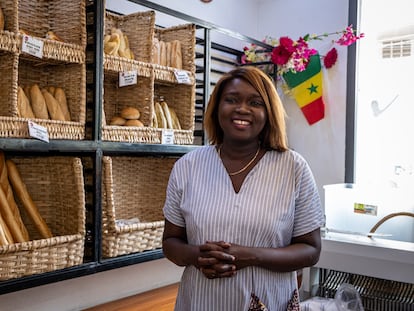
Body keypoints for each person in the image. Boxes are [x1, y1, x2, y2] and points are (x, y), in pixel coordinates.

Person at [162, 66, 324, 311]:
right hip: (201, 301)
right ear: (217, 108)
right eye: (232, 100)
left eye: (255, 102)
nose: (242, 109)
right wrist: (198, 256)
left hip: (270, 301)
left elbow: (311, 250)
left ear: (268, 112)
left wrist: (250, 256)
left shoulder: (293, 168)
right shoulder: (187, 166)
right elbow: (171, 242)